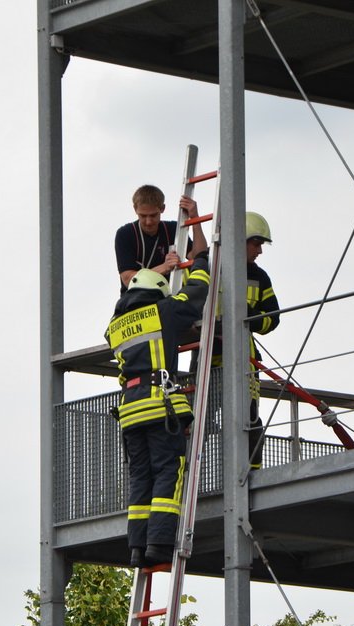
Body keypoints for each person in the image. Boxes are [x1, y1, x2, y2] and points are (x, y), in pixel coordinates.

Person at [104, 254, 211, 567]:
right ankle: (159, 543)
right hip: (156, 402)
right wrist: (201, 264)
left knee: (141, 477)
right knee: (168, 469)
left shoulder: (114, 327)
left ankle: (137, 547)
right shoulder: (163, 310)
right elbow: (195, 294)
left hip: (129, 410)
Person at [194, 212, 280, 471]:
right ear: (239, 241)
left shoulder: (260, 277)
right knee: (200, 420)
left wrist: (245, 316)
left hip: (244, 362)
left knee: (249, 421)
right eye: (256, 244)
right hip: (208, 359)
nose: (260, 251)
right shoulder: (208, 267)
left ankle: (251, 475)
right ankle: (193, 474)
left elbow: (272, 320)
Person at [115, 184, 208, 291]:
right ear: (135, 209)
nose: (148, 222)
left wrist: (195, 219)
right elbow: (128, 279)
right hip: (136, 302)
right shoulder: (125, 234)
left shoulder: (173, 229)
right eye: (143, 216)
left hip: (167, 299)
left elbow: (199, 257)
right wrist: (165, 267)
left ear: (162, 208)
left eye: (153, 215)